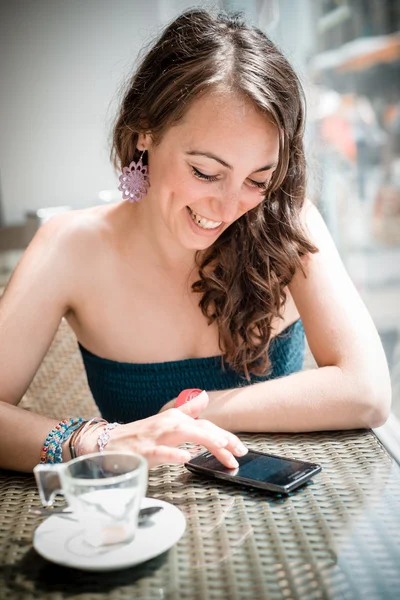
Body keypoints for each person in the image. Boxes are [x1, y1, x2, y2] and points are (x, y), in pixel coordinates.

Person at [0, 9, 391, 474]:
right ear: (145, 130)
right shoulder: (71, 246)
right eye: (205, 172)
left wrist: (195, 409)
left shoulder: (290, 223)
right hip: (140, 522)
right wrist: (101, 439)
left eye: (257, 179)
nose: (227, 208)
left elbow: (367, 391)